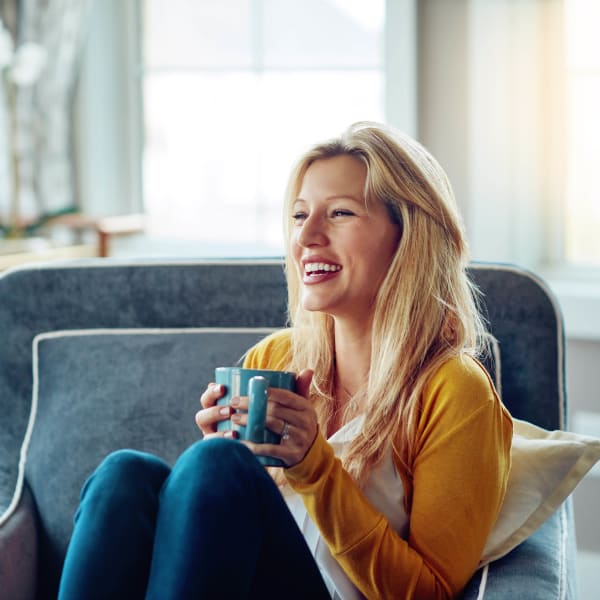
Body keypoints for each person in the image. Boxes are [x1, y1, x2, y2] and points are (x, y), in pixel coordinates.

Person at [58, 122, 512, 599]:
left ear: (409, 236)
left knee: (215, 464)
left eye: (339, 213)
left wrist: (312, 466)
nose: (308, 237)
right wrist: (214, 476)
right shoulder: (276, 358)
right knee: (124, 476)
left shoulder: (454, 390)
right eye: (299, 216)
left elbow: (431, 593)